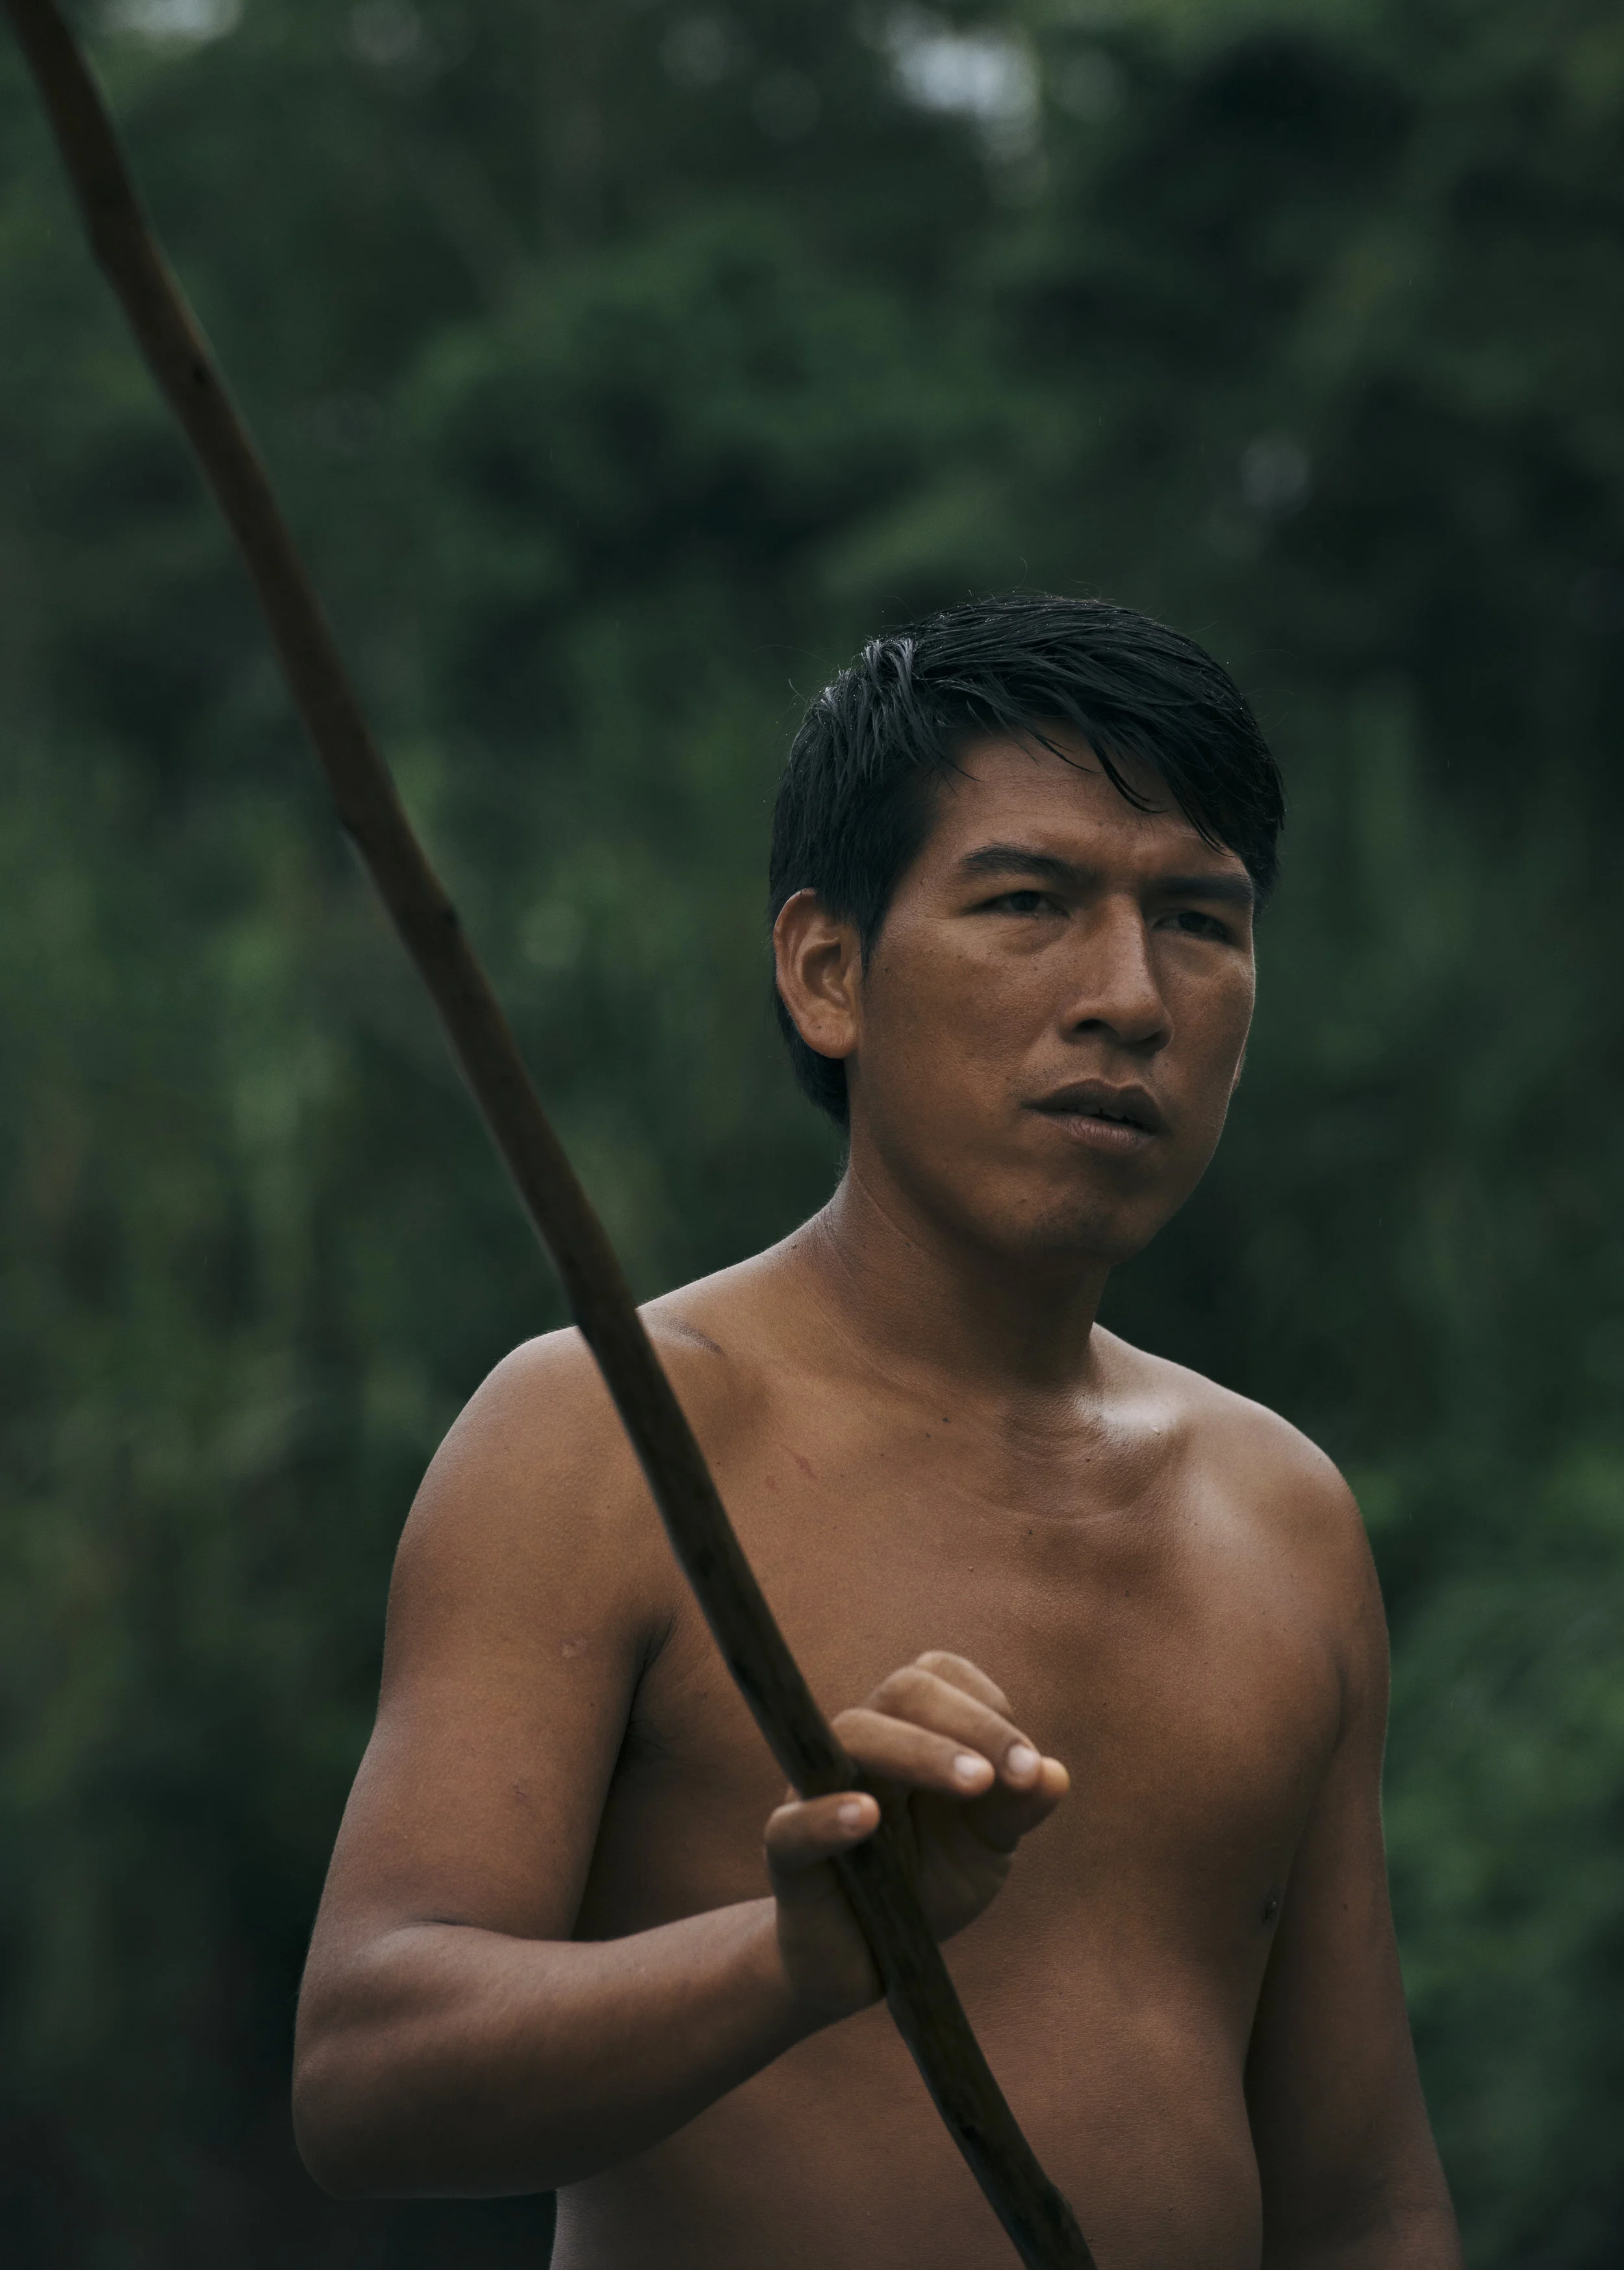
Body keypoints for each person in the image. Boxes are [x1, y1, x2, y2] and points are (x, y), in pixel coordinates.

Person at [292, 595, 1461, 2270]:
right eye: (1028, 904)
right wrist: (791, 1959)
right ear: (829, 970)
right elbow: (365, 2074)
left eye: (1200, 923)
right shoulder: (616, 1428)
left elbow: (1367, 2201)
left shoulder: (1280, 1513)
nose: (1129, 996)